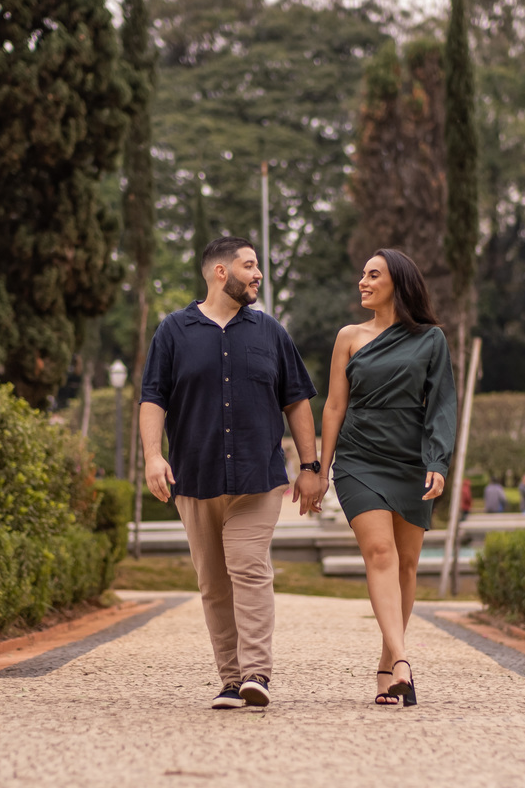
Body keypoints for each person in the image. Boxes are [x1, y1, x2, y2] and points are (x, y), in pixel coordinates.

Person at [140, 236, 323, 710]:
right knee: (213, 583)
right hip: (195, 477)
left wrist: (310, 466)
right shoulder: (173, 332)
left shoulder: (271, 332)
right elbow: (153, 398)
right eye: (249, 265)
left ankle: (256, 672)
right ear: (220, 272)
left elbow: (297, 400)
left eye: (258, 265)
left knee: (248, 567)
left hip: (256, 478)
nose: (257, 273)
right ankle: (230, 678)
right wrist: (152, 456)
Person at [319, 248, 457, 707]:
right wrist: (320, 468)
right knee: (380, 552)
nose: (362, 281)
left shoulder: (431, 339)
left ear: (397, 282)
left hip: (411, 460)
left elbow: (440, 405)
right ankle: (402, 661)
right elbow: (335, 405)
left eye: (372, 274)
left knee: (408, 564)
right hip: (359, 458)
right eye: (362, 274)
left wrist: (437, 461)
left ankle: (385, 667)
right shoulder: (349, 337)